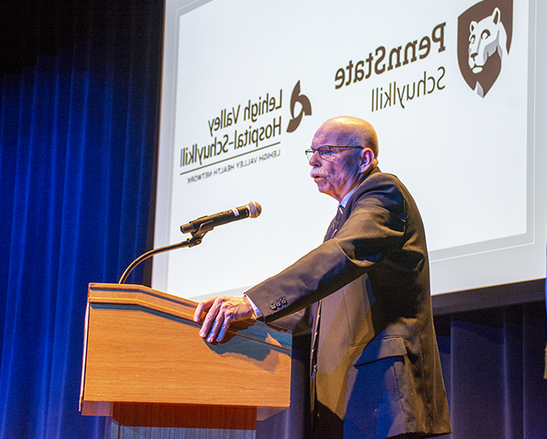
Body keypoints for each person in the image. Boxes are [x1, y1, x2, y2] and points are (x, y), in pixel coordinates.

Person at [193, 116, 451, 439]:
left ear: (365, 158)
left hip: (385, 399)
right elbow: (315, 309)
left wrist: (252, 303)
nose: (313, 161)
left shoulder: (385, 193)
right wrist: (245, 321)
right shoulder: (341, 219)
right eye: (312, 151)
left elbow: (339, 256)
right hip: (346, 406)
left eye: (327, 151)